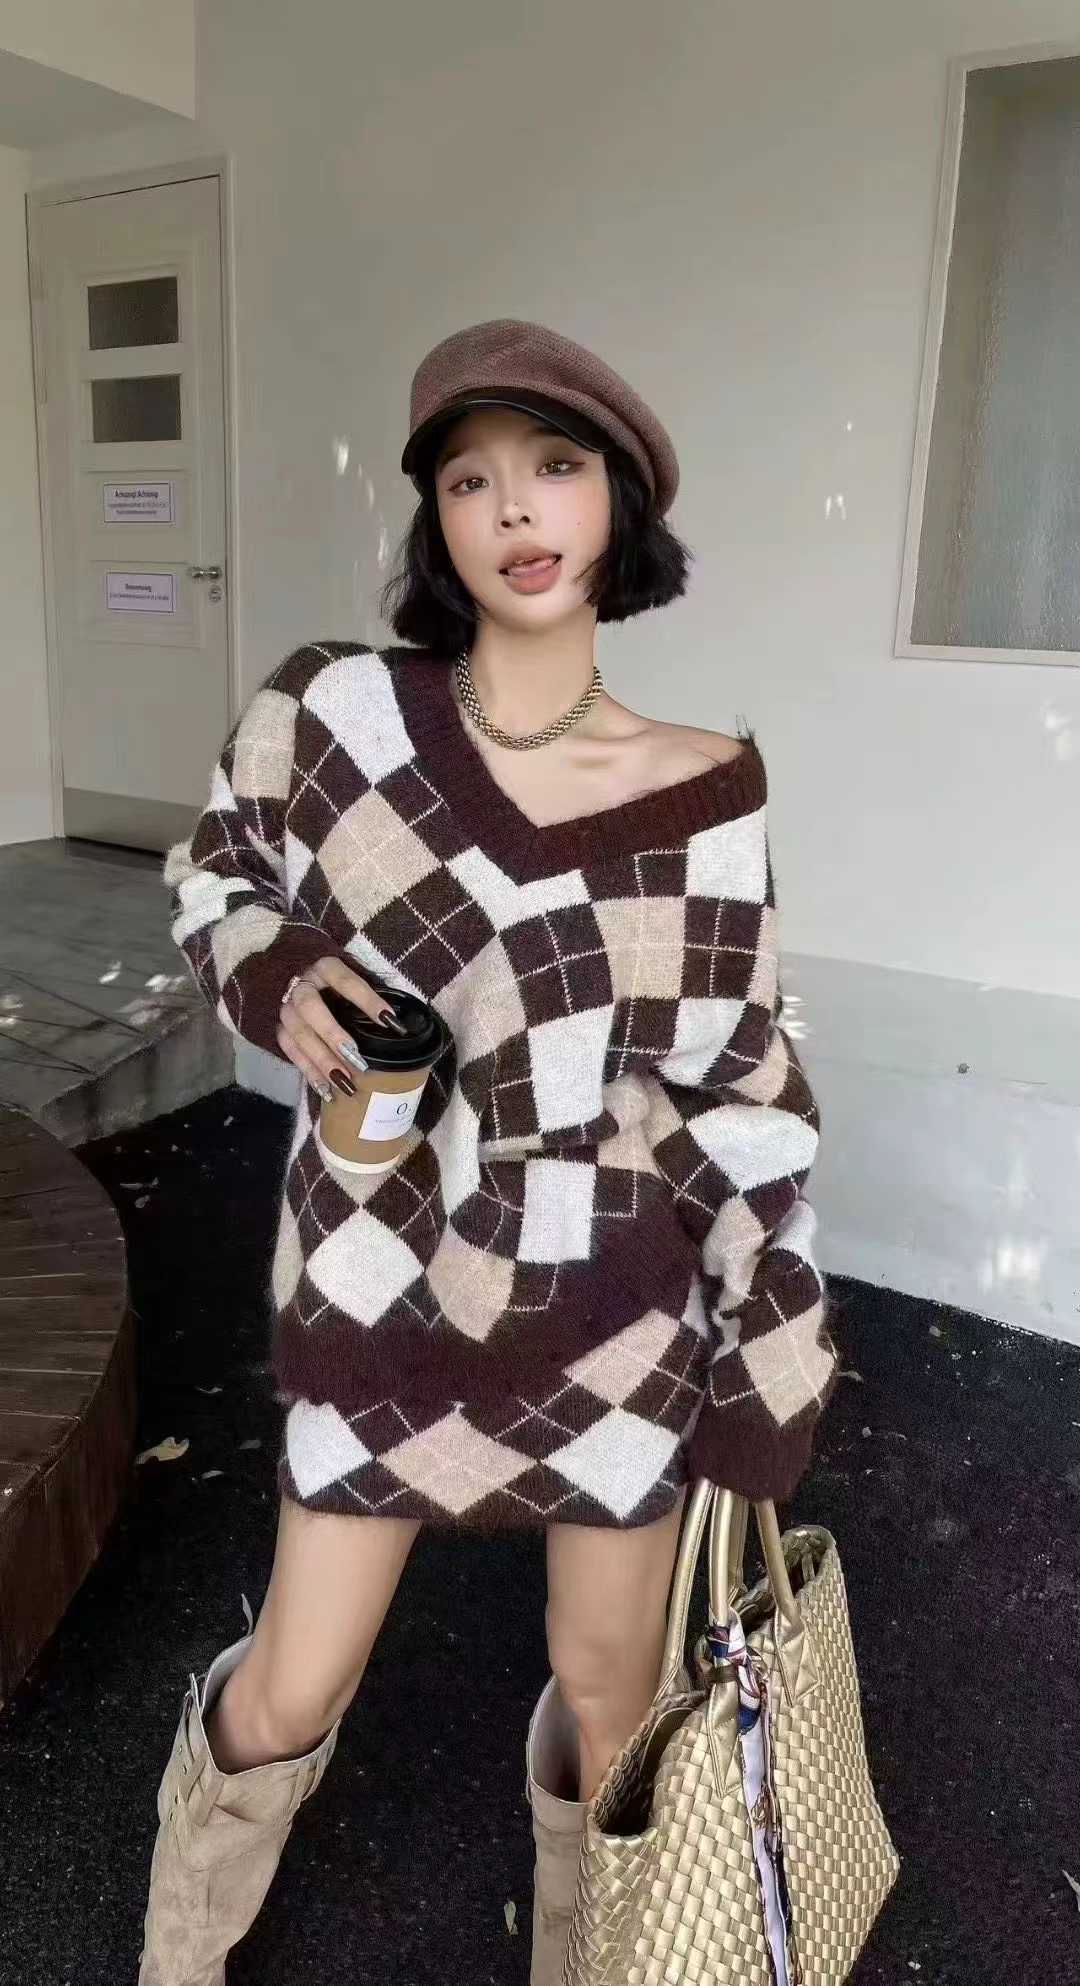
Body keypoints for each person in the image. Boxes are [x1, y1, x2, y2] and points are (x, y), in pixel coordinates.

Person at [139, 318, 840, 1985]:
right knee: (291, 1683)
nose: (515, 508)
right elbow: (217, 872)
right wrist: (276, 967)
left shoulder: (708, 790)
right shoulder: (336, 713)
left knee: (614, 1705)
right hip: (378, 1277)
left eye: (556, 465)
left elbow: (741, 1093)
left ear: (620, 504)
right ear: (435, 519)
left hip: (617, 1308)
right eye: (470, 479)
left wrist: (770, 1360)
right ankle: (179, 1952)